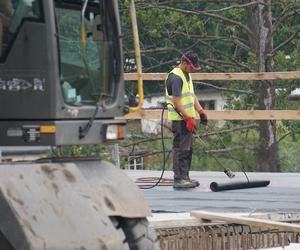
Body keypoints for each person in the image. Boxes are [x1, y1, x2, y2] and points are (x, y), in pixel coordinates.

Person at [165, 51, 208, 189]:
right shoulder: (176, 78)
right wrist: (188, 117)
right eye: (192, 67)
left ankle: (185, 177)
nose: (193, 70)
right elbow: (176, 101)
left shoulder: (186, 75)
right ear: (184, 63)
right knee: (180, 149)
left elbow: (191, 96)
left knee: (187, 149)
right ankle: (179, 179)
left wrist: (200, 111)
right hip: (180, 119)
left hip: (187, 118)